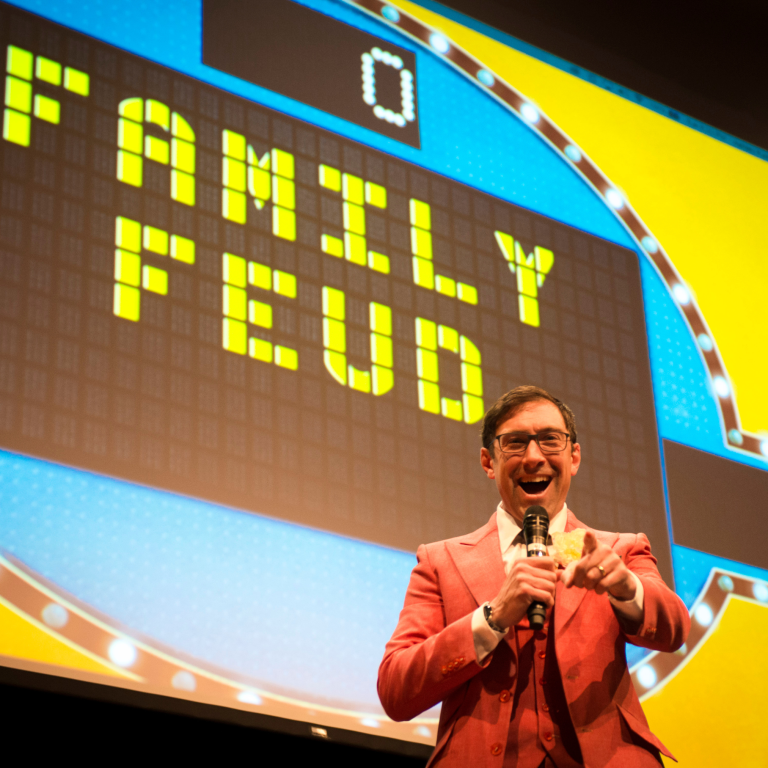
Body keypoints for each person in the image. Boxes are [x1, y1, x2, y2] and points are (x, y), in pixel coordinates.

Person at [378, 386, 690, 767]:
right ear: (488, 462)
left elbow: (675, 629)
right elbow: (395, 690)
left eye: (550, 441)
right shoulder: (439, 561)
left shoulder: (619, 549)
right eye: (514, 443)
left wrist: (629, 590)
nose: (533, 457)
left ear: (574, 456)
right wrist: (491, 618)